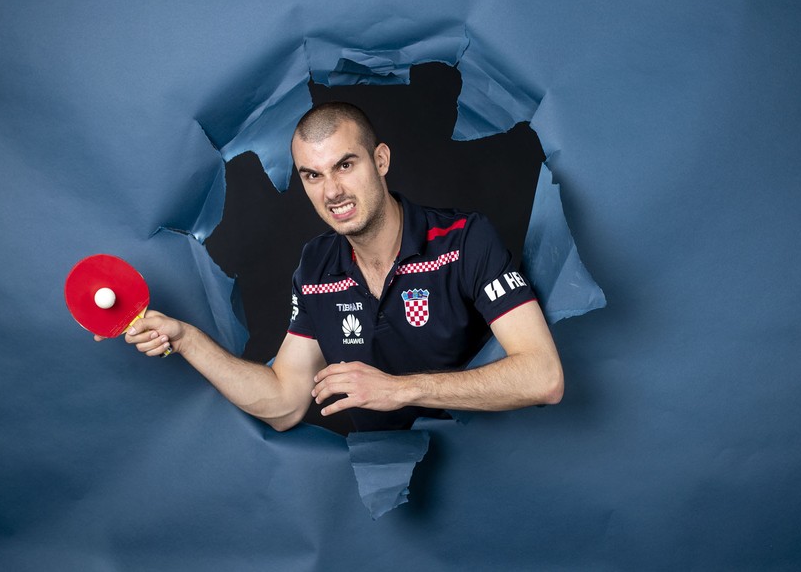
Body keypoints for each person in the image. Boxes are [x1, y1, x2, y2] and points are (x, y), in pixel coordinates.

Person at [112, 102, 563, 432]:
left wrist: (400, 389)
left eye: (345, 165)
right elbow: (285, 402)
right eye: (312, 175)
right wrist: (186, 339)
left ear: (380, 160)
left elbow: (543, 377)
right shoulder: (316, 266)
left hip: (482, 468)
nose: (332, 191)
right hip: (386, 504)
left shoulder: (465, 241)